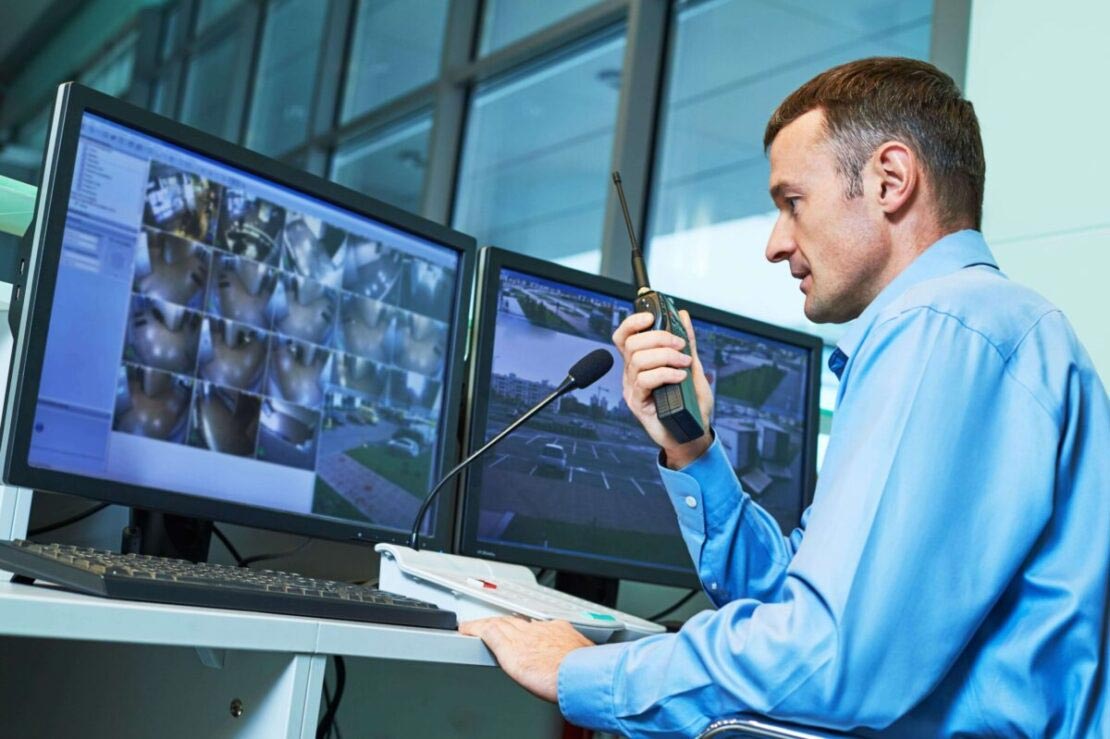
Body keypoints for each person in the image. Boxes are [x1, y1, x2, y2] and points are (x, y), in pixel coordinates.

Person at [460, 57, 1110, 737]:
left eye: (791, 202)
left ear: (891, 179)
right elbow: (796, 605)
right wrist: (693, 447)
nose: (775, 244)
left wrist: (587, 673)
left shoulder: (944, 327)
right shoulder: (970, 330)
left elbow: (827, 657)